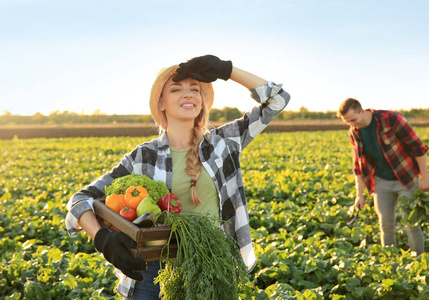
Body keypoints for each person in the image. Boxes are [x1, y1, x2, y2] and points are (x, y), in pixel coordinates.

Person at [65, 54, 290, 299]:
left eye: (195, 89)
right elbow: (80, 199)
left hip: (212, 264)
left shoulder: (224, 143)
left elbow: (277, 100)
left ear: (202, 102)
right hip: (154, 269)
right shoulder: (144, 156)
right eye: (176, 89)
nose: (188, 94)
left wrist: (227, 70)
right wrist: (101, 238)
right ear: (161, 104)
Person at [337, 98, 429, 255]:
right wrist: (359, 195)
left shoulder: (391, 119)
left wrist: (425, 177)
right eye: (348, 122)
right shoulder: (354, 132)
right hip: (381, 182)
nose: (352, 125)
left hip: (406, 179)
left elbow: (417, 146)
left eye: (353, 120)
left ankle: (419, 262)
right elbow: (358, 166)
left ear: (362, 111)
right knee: (385, 225)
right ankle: (391, 265)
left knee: (411, 224)